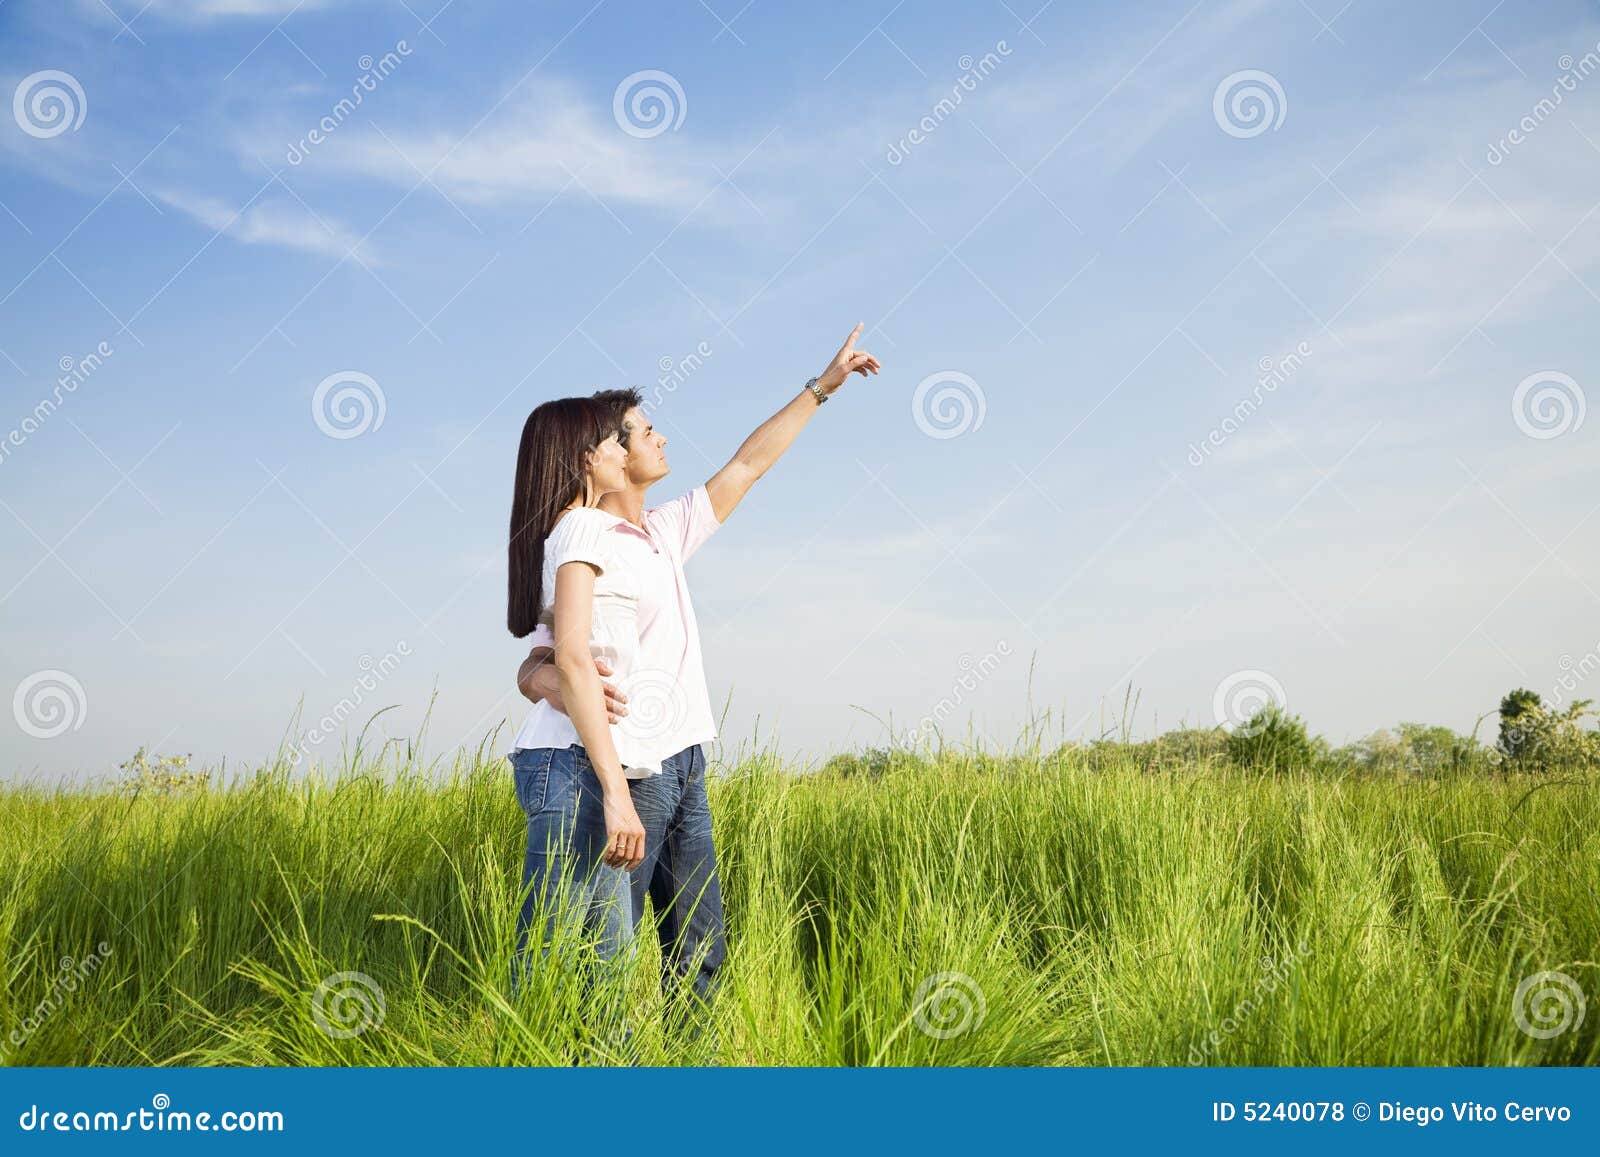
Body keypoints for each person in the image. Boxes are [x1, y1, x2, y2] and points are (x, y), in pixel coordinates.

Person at [515, 323, 881, 1024]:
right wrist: (548, 680)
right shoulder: (583, 536)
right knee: (608, 963)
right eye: (640, 430)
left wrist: (820, 388)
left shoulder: (660, 532)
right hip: (631, 766)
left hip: (684, 760)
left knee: (702, 947)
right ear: (603, 455)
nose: (657, 438)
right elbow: (544, 657)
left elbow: (747, 466)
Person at [505, 396, 651, 1002]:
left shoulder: (568, 531)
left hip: (570, 763)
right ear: (584, 458)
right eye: (614, 442)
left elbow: (547, 658)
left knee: (600, 959)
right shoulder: (584, 527)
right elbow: (567, 656)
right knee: (558, 953)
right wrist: (616, 794)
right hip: (575, 768)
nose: (625, 451)